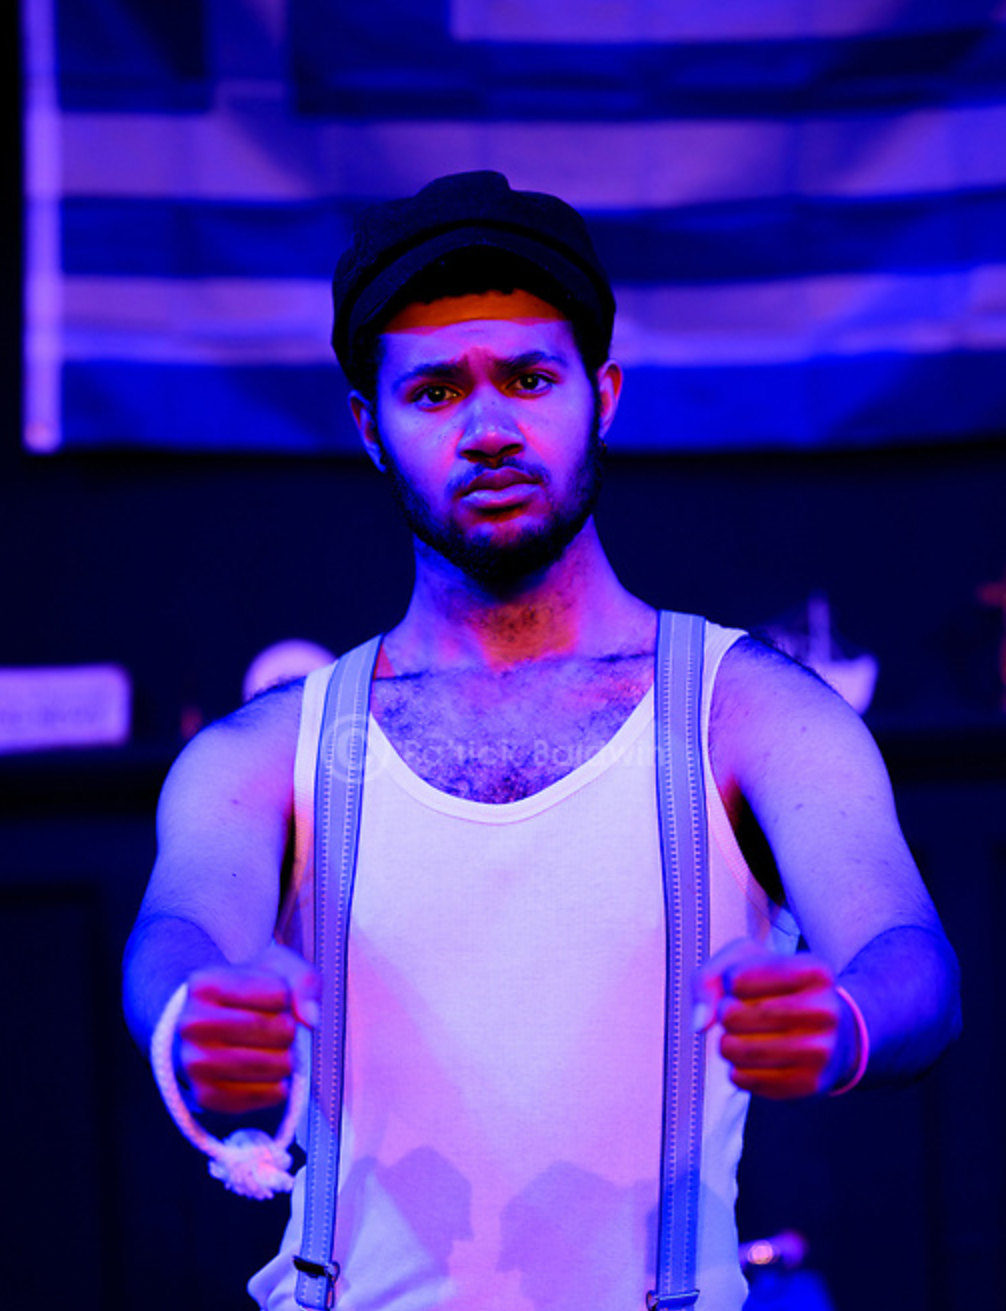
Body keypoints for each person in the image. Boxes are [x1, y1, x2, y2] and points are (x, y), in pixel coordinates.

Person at [123, 171, 961, 1311]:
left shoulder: (748, 712)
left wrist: (845, 1023)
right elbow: (176, 931)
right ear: (369, 427)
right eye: (432, 392)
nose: (487, 429)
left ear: (600, 394)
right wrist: (193, 1015)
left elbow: (911, 958)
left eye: (527, 377)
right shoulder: (268, 752)